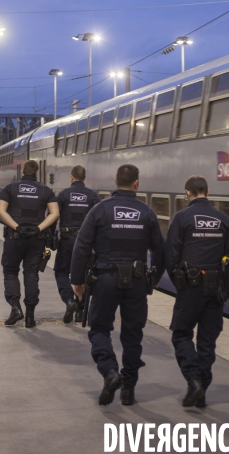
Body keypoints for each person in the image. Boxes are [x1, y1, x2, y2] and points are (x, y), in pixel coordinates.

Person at [71, 164, 165, 407]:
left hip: (104, 279)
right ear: (136, 183)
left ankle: (110, 371)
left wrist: (77, 281)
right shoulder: (146, 213)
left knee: (100, 328)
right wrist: (152, 280)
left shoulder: (99, 210)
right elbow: (160, 252)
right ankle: (129, 389)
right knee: (133, 335)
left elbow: (81, 247)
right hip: (135, 281)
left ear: (115, 181)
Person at [165, 175, 229, 408]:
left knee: (181, 334)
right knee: (207, 341)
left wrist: (177, 281)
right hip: (215, 287)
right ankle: (202, 392)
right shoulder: (222, 219)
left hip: (190, 287)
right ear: (207, 192)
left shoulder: (182, 217)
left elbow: (171, 254)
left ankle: (194, 379)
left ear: (187, 192)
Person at [0, 160, 60, 328]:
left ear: (22, 172)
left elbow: (1, 210)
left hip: (14, 238)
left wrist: (16, 227)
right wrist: (38, 228)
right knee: (31, 275)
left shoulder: (10, 188)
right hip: (36, 240)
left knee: (11, 272)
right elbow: (55, 213)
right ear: (37, 173)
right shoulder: (45, 190)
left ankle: (16, 308)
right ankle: (30, 317)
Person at [55, 165, 99, 324]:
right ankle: (81, 311)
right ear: (84, 178)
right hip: (86, 242)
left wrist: (52, 237)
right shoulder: (92, 196)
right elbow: (98, 220)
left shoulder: (63, 195)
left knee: (61, 271)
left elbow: (53, 215)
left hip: (67, 239)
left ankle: (69, 301)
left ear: (72, 177)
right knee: (84, 274)